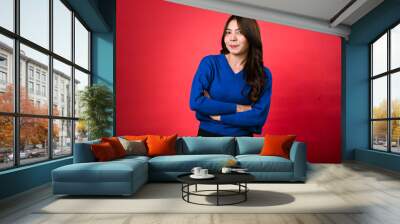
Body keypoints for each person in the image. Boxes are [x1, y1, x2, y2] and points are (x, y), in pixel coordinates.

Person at [189, 15, 272, 137]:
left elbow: (258, 117)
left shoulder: (263, 74)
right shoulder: (210, 63)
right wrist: (238, 108)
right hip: (207, 139)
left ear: (251, 37)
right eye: (228, 32)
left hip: (243, 143)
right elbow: (196, 102)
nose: (232, 38)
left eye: (239, 33)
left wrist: (218, 116)